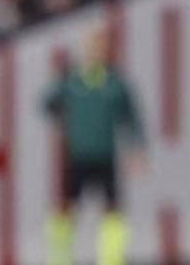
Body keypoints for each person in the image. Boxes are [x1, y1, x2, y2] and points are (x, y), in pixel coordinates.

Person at [41, 26, 146, 265]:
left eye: (101, 45)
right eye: (93, 45)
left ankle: (112, 259)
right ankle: (59, 258)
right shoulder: (72, 81)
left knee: (113, 208)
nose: (97, 50)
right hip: (77, 155)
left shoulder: (115, 82)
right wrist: (64, 115)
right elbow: (47, 103)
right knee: (66, 207)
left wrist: (137, 148)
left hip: (105, 155)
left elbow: (131, 117)